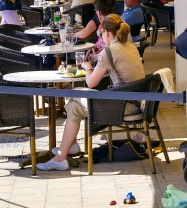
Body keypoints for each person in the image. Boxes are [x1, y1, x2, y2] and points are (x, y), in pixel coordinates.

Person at [37, 14, 145, 171]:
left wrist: (88, 67)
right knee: (74, 100)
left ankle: (63, 154)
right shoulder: (130, 46)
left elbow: (91, 82)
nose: (101, 37)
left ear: (107, 33)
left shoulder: (110, 50)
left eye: (101, 34)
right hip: (136, 102)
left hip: (123, 106)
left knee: (74, 98)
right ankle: (67, 149)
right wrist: (97, 59)